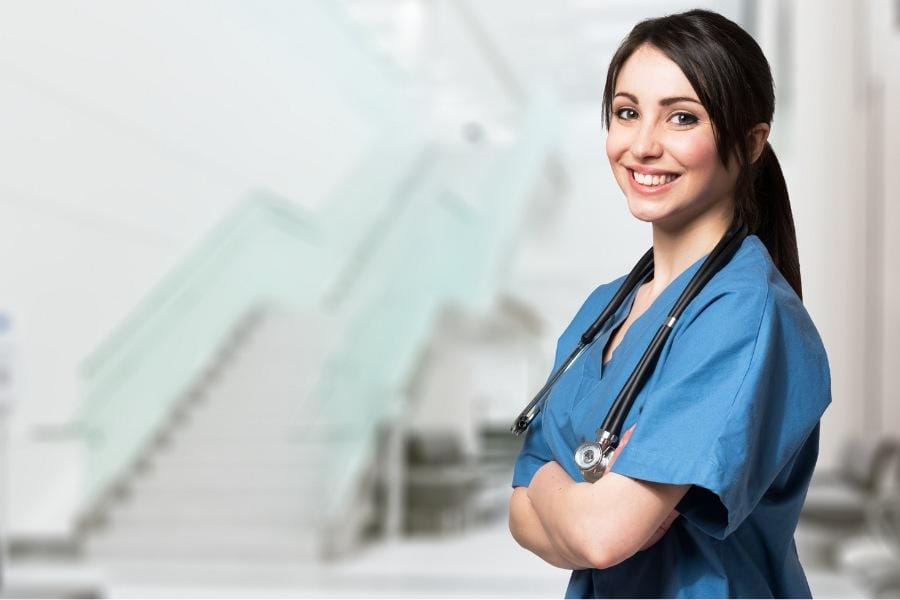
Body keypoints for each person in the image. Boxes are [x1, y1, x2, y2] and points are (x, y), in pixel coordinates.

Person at [508, 9, 831, 598]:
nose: (643, 145)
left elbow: (601, 536)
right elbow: (518, 515)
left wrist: (556, 486)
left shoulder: (744, 317)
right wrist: (577, 499)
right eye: (627, 113)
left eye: (682, 117)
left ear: (752, 143)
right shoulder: (603, 312)